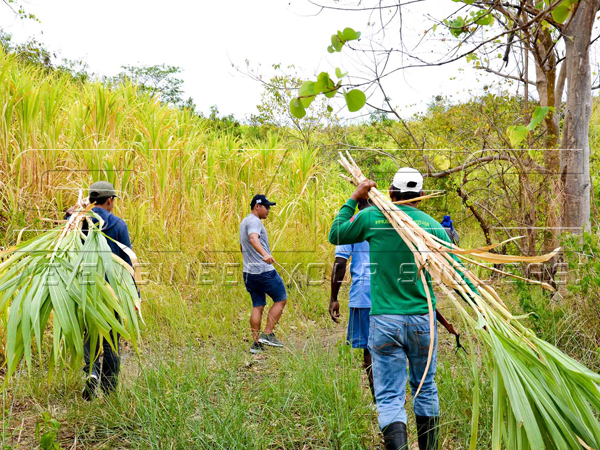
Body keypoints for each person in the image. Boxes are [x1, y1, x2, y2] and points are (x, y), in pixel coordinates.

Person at [328, 168, 477, 450]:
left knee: (389, 397)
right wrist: (478, 304)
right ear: (420, 196)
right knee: (425, 388)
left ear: (391, 192)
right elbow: (459, 274)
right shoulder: (432, 225)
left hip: (385, 322)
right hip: (423, 321)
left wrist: (353, 198)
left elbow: (336, 234)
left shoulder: (372, 217)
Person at [66, 181, 134, 400]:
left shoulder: (77, 220)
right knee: (112, 339)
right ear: (110, 201)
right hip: (112, 292)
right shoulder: (118, 225)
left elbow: (65, 240)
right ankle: (108, 387)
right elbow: (127, 262)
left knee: (90, 336)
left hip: (84, 288)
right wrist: (134, 296)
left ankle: (92, 373)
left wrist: (71, 212)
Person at [329, 198, 375, 401]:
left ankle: (377, 399)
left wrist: (333, 298)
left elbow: (340, 264)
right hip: (390, 295)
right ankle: (392, 397)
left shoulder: (352, 224)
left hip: (363, 295)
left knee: (368, 348)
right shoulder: (390, 221)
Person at [240, 194, 287, 354]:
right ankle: (267, 334)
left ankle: (256, 344)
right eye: (266, 207)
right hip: (263, 271)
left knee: (257, 305)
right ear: (256, 206)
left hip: (249, 272)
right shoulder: (254, 221)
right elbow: (253, 239)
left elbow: (242, 245)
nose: (268, 210)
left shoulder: (244, 221)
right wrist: (264, 254)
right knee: (281, 299)